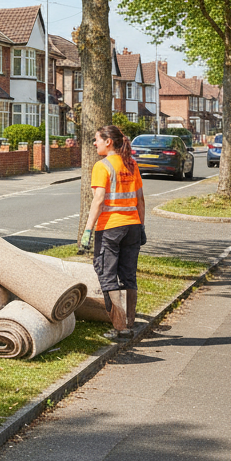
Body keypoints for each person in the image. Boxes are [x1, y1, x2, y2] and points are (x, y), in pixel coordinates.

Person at [79, 124, 147, 340]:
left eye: (97, 139)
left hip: (110, 228)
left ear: (108, 142)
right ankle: (129, 323)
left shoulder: (102, 166)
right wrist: (141, 227)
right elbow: (140, 199)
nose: (94, 143)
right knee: (128, 276)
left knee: (107, 275)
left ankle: (120, 327)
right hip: (133, 226)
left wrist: (87, 231)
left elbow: (98, 200)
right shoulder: (131, 164)